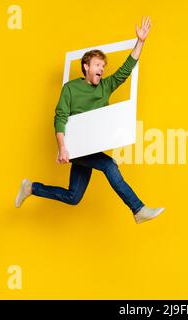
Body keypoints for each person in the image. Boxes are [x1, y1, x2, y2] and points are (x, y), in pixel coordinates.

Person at [15, 16, 164, 224]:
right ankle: (138, 209)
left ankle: (31, 187)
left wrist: (140, 42)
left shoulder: (105, 86)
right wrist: (62, 147)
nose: (101, 69)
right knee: (109, 166)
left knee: (73, 197)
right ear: (86, 66)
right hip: (75, 148)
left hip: (90, 147)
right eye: (97, 65)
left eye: (103, 66)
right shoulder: (70, 89)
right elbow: (60, 117)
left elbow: (125, 71)